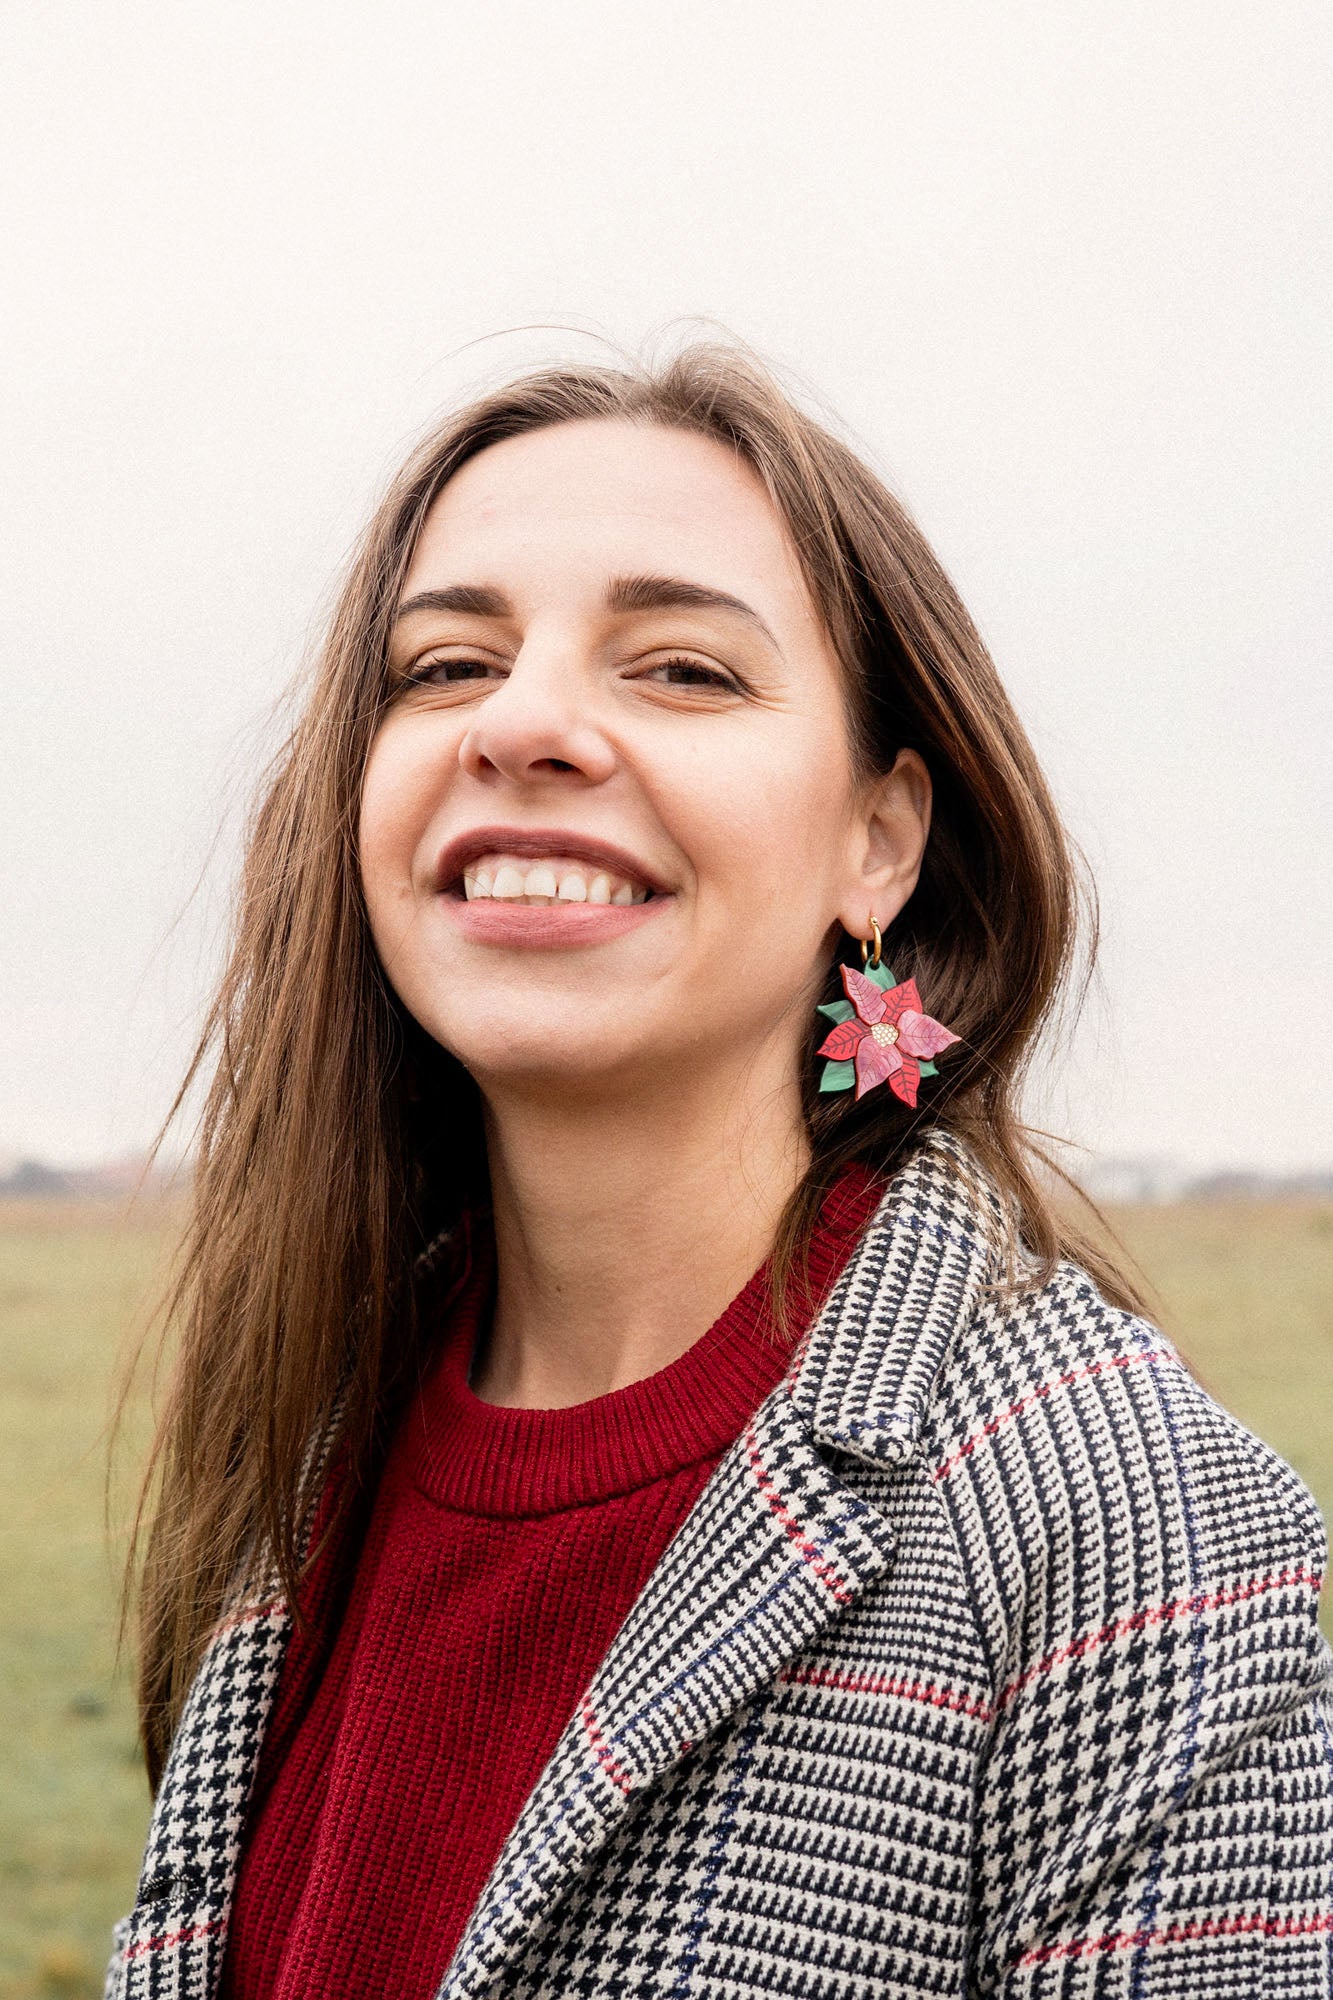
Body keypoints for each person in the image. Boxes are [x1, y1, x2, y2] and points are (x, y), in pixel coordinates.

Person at [107, 347, 1333, 1999]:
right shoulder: (301, 1436)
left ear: (877, 841)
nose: (525, 721)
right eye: (446, 663)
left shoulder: (1124, 1525)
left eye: (680, 669)